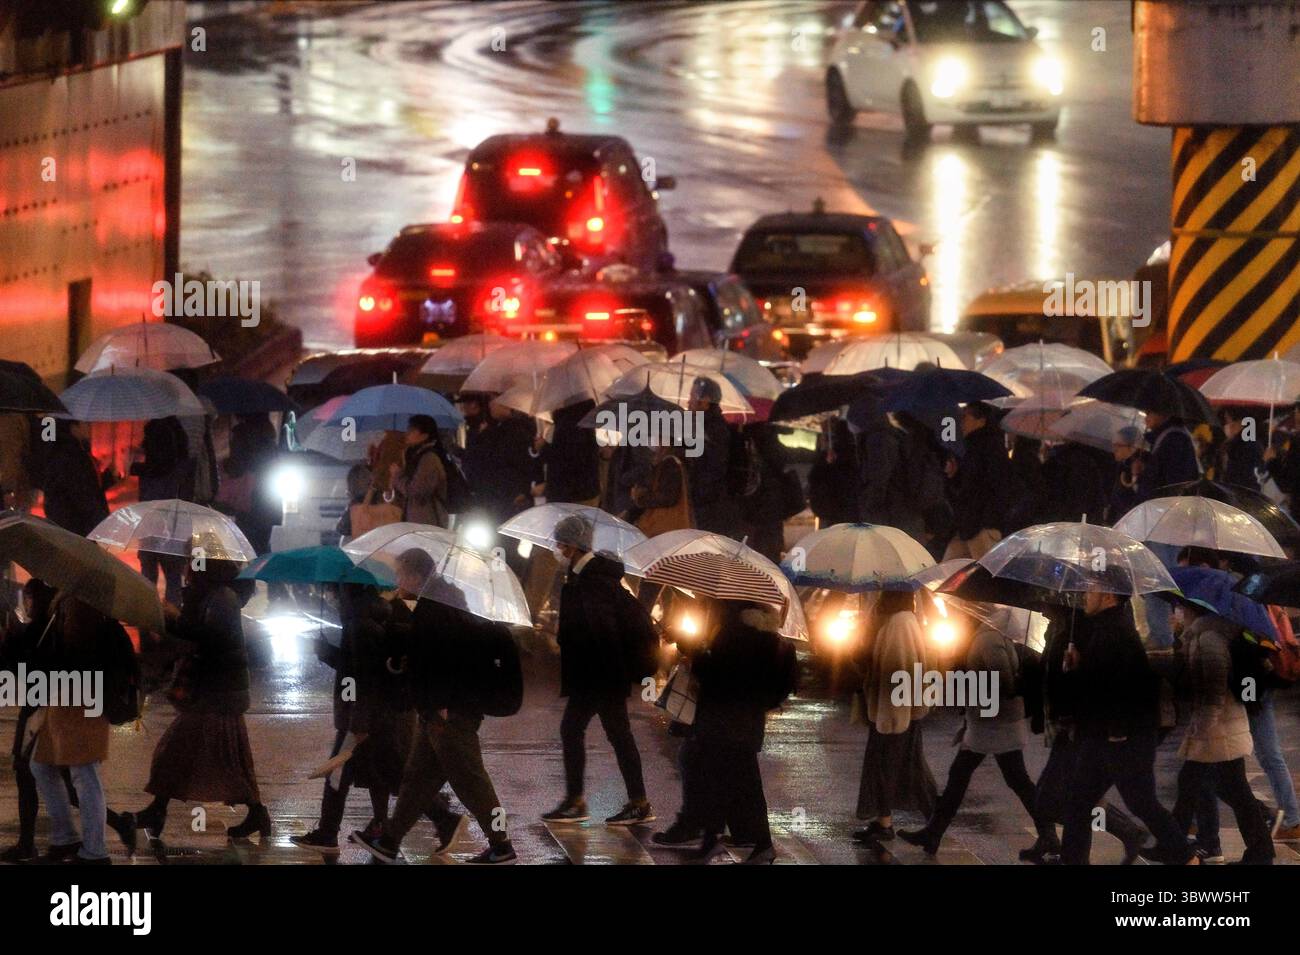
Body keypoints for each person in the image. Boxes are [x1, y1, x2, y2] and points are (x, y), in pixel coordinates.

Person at [351, 548, 517, 865]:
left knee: (472, 783)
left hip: (447, 711)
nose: (397, 580)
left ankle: (501, 844)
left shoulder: (439, 608)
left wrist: (441, 702)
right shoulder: (440, 602)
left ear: (415, 575)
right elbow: (432, 651)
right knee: (416, 781)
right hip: (435, 710)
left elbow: (448, 658)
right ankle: (389, 842)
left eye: (400, 573)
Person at [123, 559, 268, 845]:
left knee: (176, 751)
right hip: (217, 691)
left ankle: (157, 811)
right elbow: (196, 633)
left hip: (219, 693)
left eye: (193, 561)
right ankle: (255, 812)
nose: (188, 566)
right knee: (225, 759)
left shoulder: (222, 598)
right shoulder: (210, 595)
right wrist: (172, 618)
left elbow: (208, 638)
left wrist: (171, 618)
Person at [899, 608, 1057, 855]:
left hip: (995, 724)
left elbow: (1002, 681)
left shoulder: (987, 639)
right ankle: (933, 833)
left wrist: (976, 690)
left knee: (979, 778)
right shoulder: (991, 636)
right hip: (993, 722)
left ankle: (933, 833)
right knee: (985, 778)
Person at [1059, 589, 1195, 865]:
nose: (1086, 595)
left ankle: (1185, 856)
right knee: (1078, 802)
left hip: (1122, 737)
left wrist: (1118, 731)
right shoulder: (1105, 628)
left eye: (1092, 590)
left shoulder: (1116, 632)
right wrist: (1077, 666)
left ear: (1109, 596)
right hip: (1104, 736)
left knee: (1140, 802)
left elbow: (1125, 686)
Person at [542, 514, 654, 826]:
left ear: (571, 547)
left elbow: (601, 631)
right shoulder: (585, 577)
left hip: (600, 675)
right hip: (599, 674)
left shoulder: (591, 580)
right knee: (610, 734)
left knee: (599, 732)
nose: (556, 550)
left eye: (559, 544)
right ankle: (626, 801)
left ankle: (593, 802)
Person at [291, 584, 415, 856]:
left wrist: (359, 722)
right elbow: (354, 665)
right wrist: (328, 653)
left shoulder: (360, 624)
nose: (333, 599)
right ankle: (355, 828)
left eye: (335, 593)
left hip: (361, 714)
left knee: (363, 773)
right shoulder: (366, 618)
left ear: (347, 593)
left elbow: (364, 678)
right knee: (379, 772)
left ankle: (443, 817)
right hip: (366, 713)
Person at [1022, 604, 1147, 865]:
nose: (1043, 604)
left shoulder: (1089, 627)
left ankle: (1120, 835)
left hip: (1080, 725)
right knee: (1070, 796)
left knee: (1058, 797)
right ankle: (1080, 854)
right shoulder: (1066, 627)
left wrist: (1076, 671)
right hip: (1068, 723)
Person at [685, 599, 798, 864]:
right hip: (748, 724)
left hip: (723, 722)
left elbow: (714, 675)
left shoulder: (734, 634)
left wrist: (699, 654)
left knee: (733, 783)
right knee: (734, 783)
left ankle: (757, 843)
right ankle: (717, 839)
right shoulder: (769, 638)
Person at [1165, 600, 1274, 864]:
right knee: (1230, 789)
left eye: (1179, 608)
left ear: (1191, 609)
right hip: (1222, 727)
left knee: (1191, 784)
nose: (1176, 613)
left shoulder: (1209, 639)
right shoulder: (1201, 635)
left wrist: (1201, 729)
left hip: (1218, 729)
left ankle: (1174, 848)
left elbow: (1213, 691)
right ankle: (1261, 851)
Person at [28, 598, 126, 864]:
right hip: (63, 700)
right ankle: (65, 839)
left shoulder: (87, 612)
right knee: (42, 765)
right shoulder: (66, 605)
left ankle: (95, 851)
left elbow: (74, 657)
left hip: (82, 701)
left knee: (84, 774)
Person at [853, 589, 937, 842]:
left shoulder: (901, 623)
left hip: (895, 715)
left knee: (895, 768)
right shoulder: (893, 620)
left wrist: (891, 718)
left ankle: (932, 821)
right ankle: (888, 821)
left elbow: (898, 671)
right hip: (892, 713)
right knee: (902, 767)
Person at [0, 579, 57, 863]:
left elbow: (22, 667)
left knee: (29, 773)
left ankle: (28, 843)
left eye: (30, 598)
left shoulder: (44, 629)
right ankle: (28, 842)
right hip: (40, 708)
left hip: (40, 711)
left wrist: (10, 638)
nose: (27, 604)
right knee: (36, 776)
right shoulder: (46, 626)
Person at [131, 415, 190, 606]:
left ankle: (148, 613)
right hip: (173, 526)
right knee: (173, 575)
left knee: (148, 573)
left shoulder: (147, 469)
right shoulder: (180, 467)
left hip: (150, 524)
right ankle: (172, 616)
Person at [943, 403, 1013, 560]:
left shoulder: (990, 447)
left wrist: (985, 520)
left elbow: (996, 486)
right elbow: (967, 486)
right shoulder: (972, 447)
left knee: (985, 576)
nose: (961, 422)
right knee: (947, 573)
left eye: (965, 417)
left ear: (981, 420)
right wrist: (954, 476)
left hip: (981, 526)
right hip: (968, 525)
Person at [686, 377, 739, 536]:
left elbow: (706, 468)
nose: (688, 402)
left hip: (708, 506)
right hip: (708, 503)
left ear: (705, 400)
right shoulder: (704, 425)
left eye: (692, 397)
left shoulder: (710, 429)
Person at [39, 420, 108, 537]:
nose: (90, 428)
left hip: (73, 520)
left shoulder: (75, 450)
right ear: (74, 428)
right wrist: (97, 517)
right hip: (75, 522)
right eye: (86, 424)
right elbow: (82, 491)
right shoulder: (71, 455)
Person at [738, 423, 794, 563]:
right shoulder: (773, 449)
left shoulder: (753, 449)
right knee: (769, 553)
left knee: (760, 553)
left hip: (758, 511)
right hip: (770, 511)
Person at [389, 414, 449, 526]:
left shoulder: (429, 459)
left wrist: (398, 476)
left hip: (428, 524)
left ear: (424, 435)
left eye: (412, 430)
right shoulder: (414, 457)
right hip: (417, 523)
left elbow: (416, 492)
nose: (407, 433)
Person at [1037, 439, 1112, 524]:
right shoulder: (1092, 462)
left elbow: (1045, 492)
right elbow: (1098, 497)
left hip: (1056, 521)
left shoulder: (1056, 461)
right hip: (1084, 521)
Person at [630, 443, 693, 536]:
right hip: (671, 527)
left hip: (665, 527)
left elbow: (667, 497)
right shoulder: (672, 461)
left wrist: (640, 497)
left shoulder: (669, 463)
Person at [807, 419, 860, 527]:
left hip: (832, 507)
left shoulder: (832, 455)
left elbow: (815, 477)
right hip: (852, 508)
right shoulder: (858, 453)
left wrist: (823, 455)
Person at [1215, 407, 1263, 490]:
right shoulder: (1236, 442)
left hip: (1240, 493)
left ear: (1239, 422)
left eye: (1227, 420)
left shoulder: (1245, 445)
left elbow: (1241, 475)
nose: (1226, 425)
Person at [1107, 425, 1143, 522]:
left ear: (1132, 447)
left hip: (1128, 519)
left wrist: (1135, 475)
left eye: (1118, 445)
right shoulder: (1120, 464)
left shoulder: (1138, 467)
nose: (1114, 449)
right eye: (1113, 444)